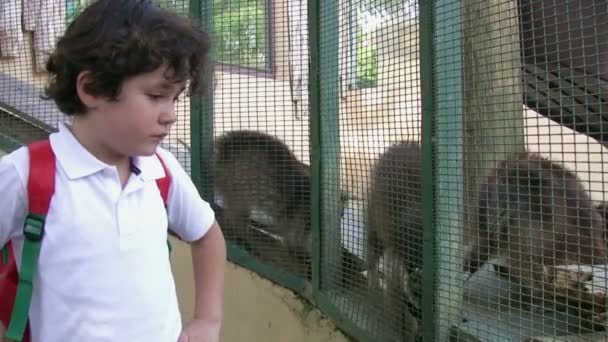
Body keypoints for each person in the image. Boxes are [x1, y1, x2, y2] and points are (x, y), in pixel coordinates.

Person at [0, 0, 226, 341]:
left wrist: (208, 319)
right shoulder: (27, 175)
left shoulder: (162, 171)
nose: (170, 114)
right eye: (155, 96)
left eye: (175, 98)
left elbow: (207, 234)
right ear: (91, 88)